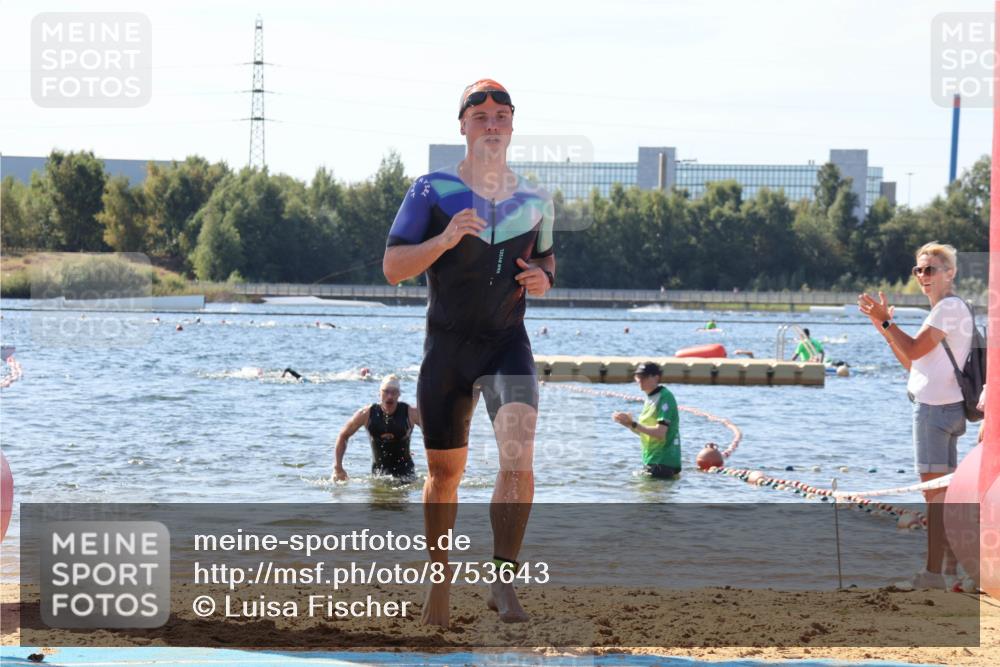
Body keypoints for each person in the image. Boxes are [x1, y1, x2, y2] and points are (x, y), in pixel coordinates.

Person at [383, 78, 555, 627]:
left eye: (502, 116)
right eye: (480, 116)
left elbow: (547, 261)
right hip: (447, 349)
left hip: (507, 344)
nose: (492, 124)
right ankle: (439, 583)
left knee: (518, 457)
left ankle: (503, 584)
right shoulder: (429, 191)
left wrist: (543, 279)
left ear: (511, 126)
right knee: (443, 473)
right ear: (461, 125)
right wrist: (445, 240)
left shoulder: (536, 199)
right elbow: (392, 269)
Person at [858, 242, 971, 590]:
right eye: (918, 269)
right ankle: (951, 572)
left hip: (935, 413)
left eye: (931, 269)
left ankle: (934, 575)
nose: (923, 275)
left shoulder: (947, 309)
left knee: (935, 499)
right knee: (943, 498)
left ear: (949, 273)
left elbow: (914, 349)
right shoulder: (947, 310)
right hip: (946, 410)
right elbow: (913, 364)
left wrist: (886, 321)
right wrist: (884, 328)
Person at [332, 375, 421, 483]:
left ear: (399, 394)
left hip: (406, 475)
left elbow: (433, 433)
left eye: (394, 392)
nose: (389, 396)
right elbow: (343, 435)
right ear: (379, 393)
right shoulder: (366, 414)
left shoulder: (411, 413)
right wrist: (338, 467)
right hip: (378, 476)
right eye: (386, 392)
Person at [612, 362, 682, 479]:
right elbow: (644, 432)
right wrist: (628, 424)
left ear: (656, 377)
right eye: (638, 377)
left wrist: (633, 423)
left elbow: (660, 433)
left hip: (663, 462)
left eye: (644, 377)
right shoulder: (649, 399)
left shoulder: (665, 397)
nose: (639, 380)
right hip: (651, 460)